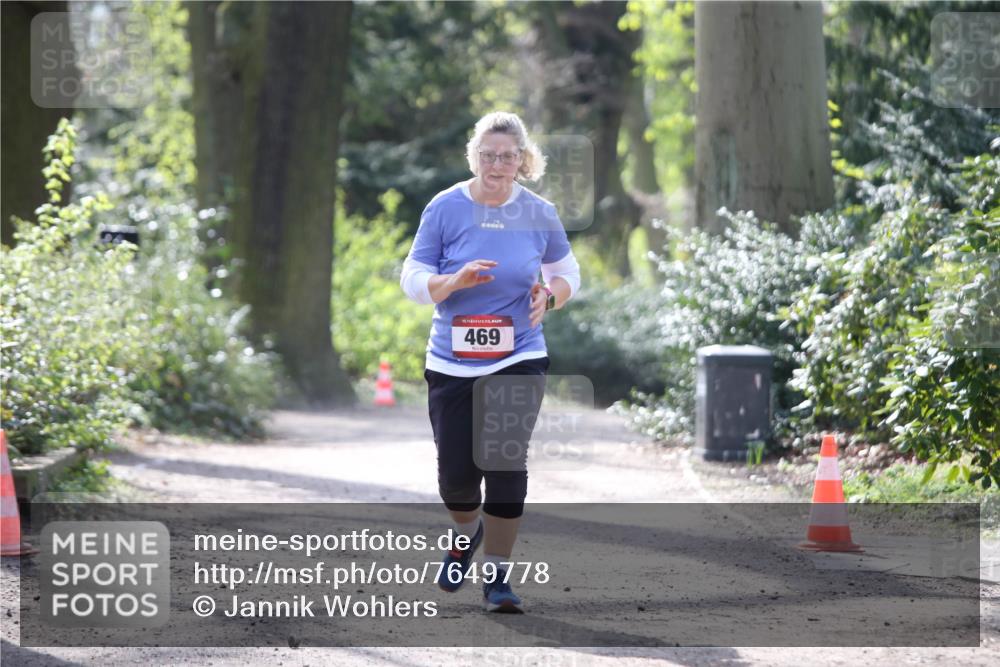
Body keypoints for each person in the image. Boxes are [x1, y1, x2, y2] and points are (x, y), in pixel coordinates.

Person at [400, 111, 580, 613]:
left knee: (504, 462)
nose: (496, 164)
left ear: (522, 161)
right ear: (473, 157)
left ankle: (497, 578)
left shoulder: (539, 212)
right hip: (451, 361)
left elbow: (567, 273)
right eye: (487, 155)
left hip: (519, 353)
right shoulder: (445, 207)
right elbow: (413, 276)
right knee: (456, 478)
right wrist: (452, 281)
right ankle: (466, 534)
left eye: (507, 156)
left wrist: (550, 295)